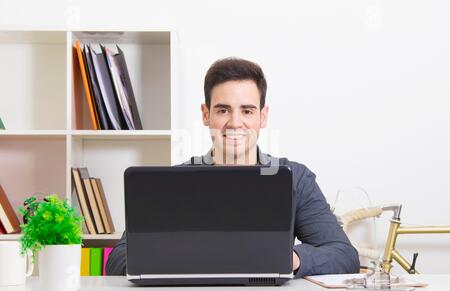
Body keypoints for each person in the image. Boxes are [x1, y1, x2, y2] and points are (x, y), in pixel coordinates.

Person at [106, 57, 360, 277]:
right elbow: (118, 261)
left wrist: (291, 258)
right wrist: (186, 255)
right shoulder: (173, 182)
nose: (235, 122)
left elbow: (344, 255)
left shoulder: (296, 178)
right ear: (206, 115)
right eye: (223, 110)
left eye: (247, 111)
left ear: (263, 116)